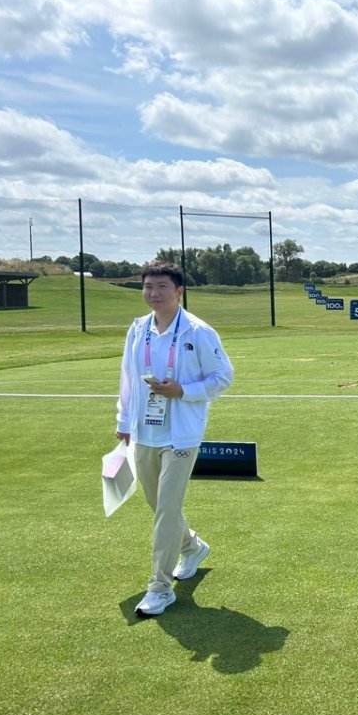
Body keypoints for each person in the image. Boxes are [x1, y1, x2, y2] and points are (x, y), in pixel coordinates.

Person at [115, 260, 234, 616]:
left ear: (179, 291)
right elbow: (127, 377)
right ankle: (192, 546)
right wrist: (123, 420)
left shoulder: (198, 332)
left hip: (182, 434)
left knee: (167, 509)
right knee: (158, 505)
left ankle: (160, 588)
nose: (153, 293)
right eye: (148, 286)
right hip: (145, 431)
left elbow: (222, 377)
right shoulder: (138, 330)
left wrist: (184, 391)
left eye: (162, 286)